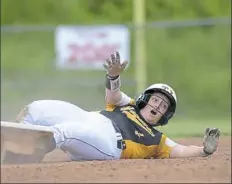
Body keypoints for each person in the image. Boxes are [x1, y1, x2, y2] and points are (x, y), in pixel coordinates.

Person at [13, 52, 220, 163]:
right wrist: (113, 76)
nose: (158, 105)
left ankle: (26, 155)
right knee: (37, 109)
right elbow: (113, 94)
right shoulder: (128, 104)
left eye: (164, 105)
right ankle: (14, 139)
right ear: (144, 100)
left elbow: (183, 151)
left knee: (65, 132)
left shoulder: (159, 141)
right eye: (156, 100)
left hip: (110, 145)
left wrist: (204, 150)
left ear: (165, 116)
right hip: (90, 119)